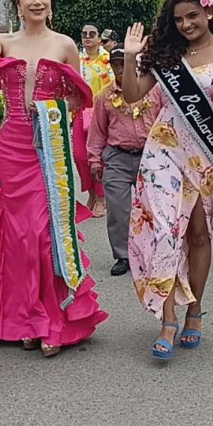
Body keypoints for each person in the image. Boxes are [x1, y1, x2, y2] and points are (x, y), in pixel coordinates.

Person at [0, 0, 108, 357]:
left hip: (51, 146)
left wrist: (64, 133)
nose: (37, 1)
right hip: (13, 146)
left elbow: (79, 99)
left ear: (51, 2)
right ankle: (25, 318)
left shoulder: (64, 45)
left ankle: (52, 320)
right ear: (17, 4)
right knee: (21, 236)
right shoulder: (4, 40)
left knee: (48, 232)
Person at [122, 0, 213, 361]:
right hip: (164, 150)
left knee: (197, 233)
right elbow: (131, 95)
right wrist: (130, 57)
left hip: (206, 154)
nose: (186, 25)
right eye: (178, 19)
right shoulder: (165, 56)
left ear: (209, 11)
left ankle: (195, 309)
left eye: (192, 16)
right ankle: (167, 319)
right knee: (163, 230)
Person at [86, 48, 160, 277]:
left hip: (149, 155)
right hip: (117, 156)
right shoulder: (105, 97)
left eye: (125, 64)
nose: (121, 69)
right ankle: (122, 255)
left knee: (151, 207)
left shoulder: (154, 91)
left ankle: (151, 253)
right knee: (118, 210)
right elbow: (97, 131)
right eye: (116, 65)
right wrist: (94, 161)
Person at [79, 21, 111, 216]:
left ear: (99, 38)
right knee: (79, 156)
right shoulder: (77, 59)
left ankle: (101, 198)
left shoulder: (107, 60)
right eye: (84, 34)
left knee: (96, 157)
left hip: (100, 114)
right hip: (79, 113)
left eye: (92, 33)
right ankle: (91, 193)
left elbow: (112, 87)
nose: (88, 37)